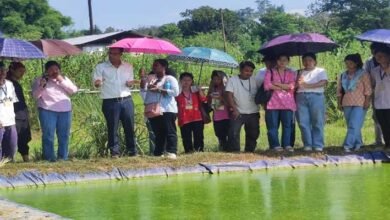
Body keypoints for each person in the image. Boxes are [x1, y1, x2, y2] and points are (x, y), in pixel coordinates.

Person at [93, 47, 137, 158]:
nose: (112, 56)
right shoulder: (101, 67)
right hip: (110, 101)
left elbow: (129, 83)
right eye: (111, 53)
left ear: (121, 54)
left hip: (126, 99)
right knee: (112, 127)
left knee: (129, 126)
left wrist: (131, 83)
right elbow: (96, 83)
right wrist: (98, 82)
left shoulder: (128, 66)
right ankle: (114, 152)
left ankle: (132, 151)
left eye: (115, 54)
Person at [32, 61, 78, 161]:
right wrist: (42, 86)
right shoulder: (40, 80)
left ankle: (63, 157)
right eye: (51, 70)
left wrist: (61, 81)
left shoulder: (64, 79)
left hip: (65, 110)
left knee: (64, 135)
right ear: (46, 70)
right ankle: (49, 158)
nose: (54, 72)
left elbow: (73, 90)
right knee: (48, 135)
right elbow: (35, 96)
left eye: (56, 69)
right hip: (47, 109)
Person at [140, 59, 179, 159]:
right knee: (158, 132)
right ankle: (158, 152)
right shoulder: (152, 79)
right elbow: (143, 90)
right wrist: (143, 78)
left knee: (169, 131)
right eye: (153, 65)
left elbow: (175, 92)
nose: (154, 67)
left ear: (163, 67)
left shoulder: (170, 79)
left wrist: (159, 90)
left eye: (156, 65)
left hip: (167, 109)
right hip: (154, 110)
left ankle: (171, 151)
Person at [337, 54, 371, 152]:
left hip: (360, 103)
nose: (348, 65)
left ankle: (347, 145)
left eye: (350, 63)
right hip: (346, 102)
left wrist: (367, 102)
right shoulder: (343, 75)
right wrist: (339, 103)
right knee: (353, 126)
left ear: (356, 63)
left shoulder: (363, 74)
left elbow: (368, 90)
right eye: (346, 63)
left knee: (354, 125)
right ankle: (358, 144)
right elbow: (339, 91)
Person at [264, 54, 297, 152]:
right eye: (280, 60)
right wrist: (283, 87)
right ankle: (275, 145)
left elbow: (291, 86)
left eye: (285, 60)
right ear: (276, 61)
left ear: (288, 62)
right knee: (272, 126)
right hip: (273, 103)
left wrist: (277, 84)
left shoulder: (291, 72)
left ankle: (286, 144)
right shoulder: (270, 71)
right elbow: (267, 85)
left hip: (288, 103)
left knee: (287, 125)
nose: (282, 62)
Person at [295, 53, 328, 152]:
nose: (307, 62)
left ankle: (318, 144)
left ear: (315, 61)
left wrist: (307, 85)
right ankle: (307, 144)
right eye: (304, 60)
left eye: (310, 60)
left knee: (317, 121)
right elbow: (294, 86)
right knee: (303, 122)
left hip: (316, 96)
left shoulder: (320, 71)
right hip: (301, 97)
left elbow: (323, 82)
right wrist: (298, 82)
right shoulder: (299, 72)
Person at [225, 61, 260, 153]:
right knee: (234, 132)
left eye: (251, 71)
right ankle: (235, 151)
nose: (249, 73)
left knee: (253, 133)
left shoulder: (254, 79)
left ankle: (249, 150)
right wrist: (234, 109)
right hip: (238, 111)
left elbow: (261, 92)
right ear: (240, 70)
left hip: (253, 112)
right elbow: (229, 95)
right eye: (246, 70)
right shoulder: (232, 80)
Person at [176, 72, 207, 153]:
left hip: (197, 117)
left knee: (199, 135)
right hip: (184, 117)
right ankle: (188, 151)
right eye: (184, 80)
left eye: (189, 80)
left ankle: (199, 150)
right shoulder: (177, 92)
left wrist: (200, 90)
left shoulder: (195, 91)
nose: (186, 82)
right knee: (186, 137)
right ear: (180, 81)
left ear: (192, 81)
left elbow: (204, 100)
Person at [7, 62, 31, 162]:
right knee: (12, 139)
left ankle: (26, 159)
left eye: (23, 72)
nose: (22, 74)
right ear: (12, 70)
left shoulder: (16, 83)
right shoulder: (7, 84)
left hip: (22, 114)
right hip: (13, 115)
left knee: (24, 137)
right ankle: (9, 159)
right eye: (20, 71)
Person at [364, 42, 385, 146]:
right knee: (377, 116)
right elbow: (366, 76)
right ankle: (379, 141)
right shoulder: (369, 62)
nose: (375, 54)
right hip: (375, 92)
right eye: (373, 52)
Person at [370, 46, 390, 149]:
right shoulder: (375, 70)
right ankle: (387, 146)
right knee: (384, 126)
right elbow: (373, 85)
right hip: (379, 103)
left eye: (381, 56)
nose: (378, 58)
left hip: (389, 101)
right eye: (376, 56)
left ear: (388, 56)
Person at [0, 62, 18, 161]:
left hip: (10, 122)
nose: (3, 72)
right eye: (0, 70)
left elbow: (12, 101)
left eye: (4, 70)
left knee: (11, 148)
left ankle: (8, 169)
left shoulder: (10, 84)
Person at [207, 70, 229, 151]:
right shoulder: (212, 89)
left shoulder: (227, 89)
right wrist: (210, 97)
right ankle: (222, 147)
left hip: (226, 116)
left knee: (226, 133)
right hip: (216, 115)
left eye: (218, 79)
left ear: (223, 79)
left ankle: (227, 148)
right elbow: (209, 103)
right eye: (214, 79)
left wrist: (221, 98)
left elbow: (229, 102)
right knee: (218, 133)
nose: (216, 81)